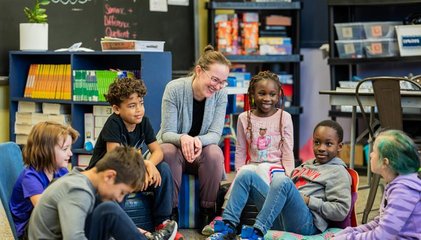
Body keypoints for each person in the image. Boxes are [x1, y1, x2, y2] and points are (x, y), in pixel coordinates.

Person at [207, 120, 352, 239]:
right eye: (317, 142)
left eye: (328, 144)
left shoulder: (338, 172)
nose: (321, 148)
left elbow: (341, 211)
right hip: (281, 215)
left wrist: (309, 201)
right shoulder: (306, 165)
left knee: (281, 180)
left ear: (339, 147)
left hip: (308, 223)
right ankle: (228, 227)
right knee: (246, 175)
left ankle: (257, 233)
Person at [201, 70, 295, 236]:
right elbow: (241, 149)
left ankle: (228, 219)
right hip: (252, 168)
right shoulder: (245, 118)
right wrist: (239, 172)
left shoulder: (284, 117)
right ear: (252, 94)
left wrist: (289, 177)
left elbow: (288, 150)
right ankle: (226, 220)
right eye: (262, 93)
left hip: (276, 170)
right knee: (248, 170)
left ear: (278, 95)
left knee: (261, 168)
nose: (267, 98)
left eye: (272, 94)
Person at [27, 146, 178, 240]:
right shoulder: (78, 191)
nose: (120, 198)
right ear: (109, 176)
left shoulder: (82, 178)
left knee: (105, 207)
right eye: (122, 192)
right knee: (108, 210)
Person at [86, 77, 174, 233]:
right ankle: (121, 227)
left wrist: (150, 164)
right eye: (132, 106)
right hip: (109, 176)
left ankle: (162, 221)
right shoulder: (113, 124)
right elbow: (117, 159)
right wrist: (144, 164)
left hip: (131, 171)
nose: (139, 109)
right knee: (120, 175)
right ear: (117, 109)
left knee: (164, 169)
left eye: (141, 103)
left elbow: (158, 151)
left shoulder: (143, 122)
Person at [157, 45, 231, 227]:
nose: (218, 86)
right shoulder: (174, 89)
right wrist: (183, 138)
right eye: (215, 79)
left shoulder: (221, 94)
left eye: (223, 82)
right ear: (199, 71)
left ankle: (208, 214)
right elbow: (167, 133)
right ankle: (170, 214)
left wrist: (197, 140)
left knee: (214, 152)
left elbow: (215, 134)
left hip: (202, 155)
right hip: (175, 153)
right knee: (167, 150)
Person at [334, 130, 421, 239]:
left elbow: (381, 236)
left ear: (385, 162)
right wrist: (351, 231)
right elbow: (380, 222)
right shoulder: (397, 184)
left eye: (374, 151)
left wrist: (348, 238)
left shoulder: (403, 191)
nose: (370, 154)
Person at [9, 121, 79, 239]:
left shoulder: (60, 170)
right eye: (65, 149)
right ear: (46, 150)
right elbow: (45, 210)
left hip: (44, 223)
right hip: (30, 229)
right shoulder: (31, 177)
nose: (70, 153)